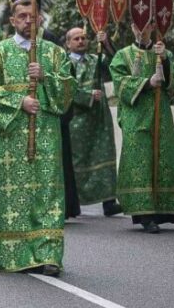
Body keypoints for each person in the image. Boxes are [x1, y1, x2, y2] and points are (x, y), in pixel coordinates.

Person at [0, 0, 76, 277]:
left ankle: (47, 253)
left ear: (40, 21)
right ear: (12, 21)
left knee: (46, 192)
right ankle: (0, 252)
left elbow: (67, 93)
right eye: (22, 16)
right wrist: (18, 102)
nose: (28, 21)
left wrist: (46, 76)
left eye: (33, 16)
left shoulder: (54, 53)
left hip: (46, 136)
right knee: (6, 194)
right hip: (8, 136)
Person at [108, 21, 174, 234]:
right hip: (136, 116)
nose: (142, 30)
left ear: (152, 27)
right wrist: (146, 83)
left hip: (160, 114)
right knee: (138, 162)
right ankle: (143, 214)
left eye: (147, 26)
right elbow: (120, 83)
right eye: (137, 26)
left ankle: (162, 210)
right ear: (132, 28)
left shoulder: (162, 51)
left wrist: (166, 60)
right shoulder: (123, 55)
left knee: (162, 158)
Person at [65, 27, 121, 217]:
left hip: (99, 118)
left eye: (84, 38)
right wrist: (87, 96)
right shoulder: (64, 63)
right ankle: (75, 202)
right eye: (76, 39)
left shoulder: (96, 59)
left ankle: (109, 201)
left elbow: (118, 66)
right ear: (68, 43)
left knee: (104, 155)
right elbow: (63, 89)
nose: (81, 41)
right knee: (78, 161)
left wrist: (106, 44)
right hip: (77, 120)